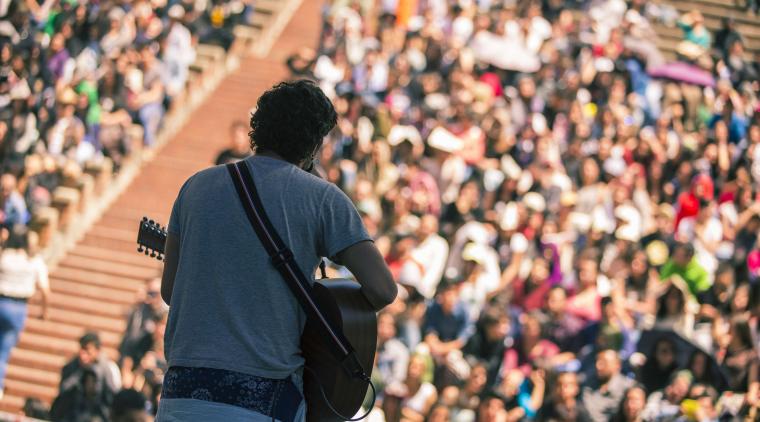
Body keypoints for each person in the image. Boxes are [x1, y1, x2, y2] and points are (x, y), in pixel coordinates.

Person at [157, 80, 397, 421]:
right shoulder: (324, 200)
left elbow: (171, 291)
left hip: (182, 396)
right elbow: (383, 289)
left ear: (260, 128)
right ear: (314, 143)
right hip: (263, 402)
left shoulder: (196, 187)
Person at [0, 225, 49, 395]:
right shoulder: (34, 262)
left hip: (2, 299)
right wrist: (44, 311)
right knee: (3, 350)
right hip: (18, 306)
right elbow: (44, 289)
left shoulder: (5, 257)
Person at [59, 332, 122, 403]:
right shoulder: (72, 366)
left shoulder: (107, 368)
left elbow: (112, 394)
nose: (83, 355)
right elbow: (64, 391)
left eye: (87, 350)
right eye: (82, 349)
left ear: (97, 351)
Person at [581, 349, 635, 422]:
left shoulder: (629, 388)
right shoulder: (588, 385)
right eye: (597, 362)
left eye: (603, 362)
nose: (598, 366)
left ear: (617, 365)